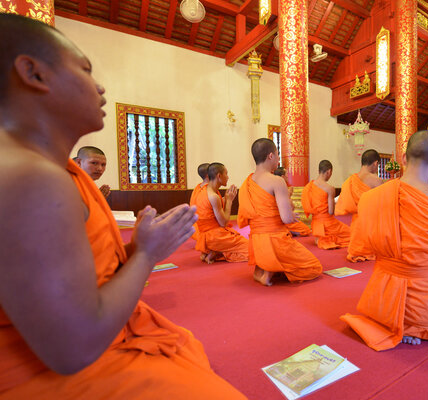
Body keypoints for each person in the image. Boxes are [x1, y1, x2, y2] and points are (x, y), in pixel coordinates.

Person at [0, 14, 245, 399]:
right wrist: (147, 253)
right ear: (33, 73)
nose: (99, 87)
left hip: (91, 339)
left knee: (187, 351)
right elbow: (72, 349)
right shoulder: (28, 177)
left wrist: (135, 248)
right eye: (84, 69)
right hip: (57, 371)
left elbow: (80, 268)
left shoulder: (51, 170)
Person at [341, 130, 428, 351]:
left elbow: (367, 242)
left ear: (404, 159)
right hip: (423, 297)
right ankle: (410, 323)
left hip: (379, 298)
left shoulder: (368, 198)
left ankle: (391, 320)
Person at [237, 139, 322, 286]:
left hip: (257, 242)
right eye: (277, 155)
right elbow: (286, 219)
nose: (278, 159)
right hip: (275, 240)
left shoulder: (247, 182)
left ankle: (263, 269)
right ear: (270, 156)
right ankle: (270, 270)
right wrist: (292, 216)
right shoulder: (276, 181)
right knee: (314, 267)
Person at [192, 162, 248, 264]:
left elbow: (211, 209)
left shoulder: (203, 190)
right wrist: (229, 201)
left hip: (204, 234)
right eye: (226, 174)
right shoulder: (213, 196)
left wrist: (225, 199)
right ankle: (216, 250)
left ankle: (213, 251)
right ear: (219, 176)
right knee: (251, 250)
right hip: (215, 236)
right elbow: (224, 223)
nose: (228, 177)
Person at [335, 149, 383, 262]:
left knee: (357, 239)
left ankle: (358, 250)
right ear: (375, 163)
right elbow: (381, 203)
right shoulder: (377, 180)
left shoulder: (351, 180)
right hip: (372, 220)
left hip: (357, 220)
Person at [301, 160, 351, 249]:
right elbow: (331, 211)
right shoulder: (329, 188)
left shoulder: (309, 186)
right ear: (329, 171)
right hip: (328, 224)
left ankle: (321, 237)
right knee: (352, 234)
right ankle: (324, 238)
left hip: (315, 224)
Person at [273, 166, 312, 237]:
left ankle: (286, 230)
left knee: (306, 229)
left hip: (288, 218)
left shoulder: (287, 188)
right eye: (286, 175)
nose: (288, 177)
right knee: (305, 230)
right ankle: (286, 230)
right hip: (281, 219)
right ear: (282, 177)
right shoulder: (279, 189)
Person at [190, 162, 210, 242]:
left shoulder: (197, 187)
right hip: (204, 230)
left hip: (193, 229)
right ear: (208, 175)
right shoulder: (209, 189)